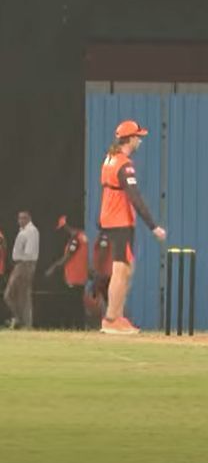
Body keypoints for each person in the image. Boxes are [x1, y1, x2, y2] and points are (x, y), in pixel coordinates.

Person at [98, 120, 167, 335]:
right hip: (120, 221)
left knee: (127, 268)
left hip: (111, 218)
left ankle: (115, 317)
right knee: (121, 270)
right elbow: (135, 197)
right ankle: (112, 319)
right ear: (130, 139)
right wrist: (153, 226)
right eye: (138, 137)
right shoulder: (124, 164)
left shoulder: (110, 158)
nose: (140, 140)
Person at [5, 211, 39, 329]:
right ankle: (21, 320)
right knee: (16, 295)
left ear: (29, 218)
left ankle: (24, 322)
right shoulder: (23, 231)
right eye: (19, 218)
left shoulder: (31, 232)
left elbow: (29, 252)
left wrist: (21, 259)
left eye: (23, 218)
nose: (20, 220)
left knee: (21, 295)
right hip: (20, 264)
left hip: (24, 264)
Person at [46, 215, 90, 289]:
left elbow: (67, 257)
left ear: (67, 227)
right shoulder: (84, 235)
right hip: (82, 278)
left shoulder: (75, 239)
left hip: (74, 278)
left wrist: (53, 268)